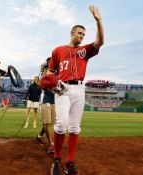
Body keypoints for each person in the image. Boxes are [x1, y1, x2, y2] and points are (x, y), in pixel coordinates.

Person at [48, 5, 104, 175]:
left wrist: (99, 21)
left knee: (74, 128)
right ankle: (57, 159)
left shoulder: (84, 51)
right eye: (79, 33)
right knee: (61, 124)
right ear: (72, 33)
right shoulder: (58, 50)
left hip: (80, 89)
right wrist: (50, 83)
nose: (82, 36)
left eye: (83, 35)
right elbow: (50, 72)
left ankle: (70, 162)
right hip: (63, 89)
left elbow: (100, 42)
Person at [36, 57, 56, 154]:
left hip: (54, 100)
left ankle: (39, 136)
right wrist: (44, 69)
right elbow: (41, 83)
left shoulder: (55, 72)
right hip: (45, 100)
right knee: (47, 124)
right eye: (50, 61)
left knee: (49, 123)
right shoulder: (45, 71)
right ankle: (51, 144)